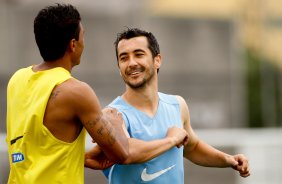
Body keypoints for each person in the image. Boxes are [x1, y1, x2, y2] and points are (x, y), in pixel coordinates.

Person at [6, 4, 188, 184]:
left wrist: (80, 157)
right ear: (73, 45)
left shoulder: (17, 80)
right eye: (83, 36)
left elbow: (40, 145)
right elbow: (122, 153)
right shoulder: (75, 92)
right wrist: (172, 139)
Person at [98, 28, 251, 183]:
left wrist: (228, 160)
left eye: (139, 54)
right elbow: (127, 152)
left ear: (157, 60)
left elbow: (192, 147)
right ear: (119, 67)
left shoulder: (177, 105)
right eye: (124, 58)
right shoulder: (112, 114)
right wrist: (171, 140)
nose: (131, 63)